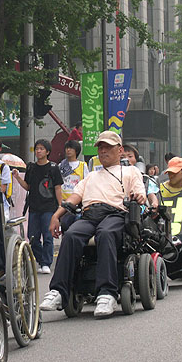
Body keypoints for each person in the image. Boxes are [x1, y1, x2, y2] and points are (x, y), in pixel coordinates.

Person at [40, 131, 146, 318]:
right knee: (72, 234)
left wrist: (139, 196)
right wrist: (56, 216)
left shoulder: (130, 171)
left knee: (105, 234)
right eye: (100, 148)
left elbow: (140, 194)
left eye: (108, 147)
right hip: (89, 214)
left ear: (120, 150)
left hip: (116, 213)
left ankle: (107, 293)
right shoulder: (91, 176)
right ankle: (58, 291)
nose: (103, 151)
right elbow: (74, 198)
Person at [12, 139, 62, 274]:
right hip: (34, 207)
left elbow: (57, 188)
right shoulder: (32, 168)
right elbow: (28, 186)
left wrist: (60, 207)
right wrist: (18, 178)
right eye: (37, 148)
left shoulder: (53, 168)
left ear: (48, 151)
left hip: (49, 207)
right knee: (32, 237)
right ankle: (40, 260)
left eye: (41, 149)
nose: (38, 151)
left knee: (47, 236)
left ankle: (46, 263)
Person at [59, 140, 88, 229]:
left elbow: (86, 183)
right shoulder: (61, 165)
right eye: (67, 148)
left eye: (71, 148)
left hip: (78, 203)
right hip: (64, 202)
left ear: (76, 151)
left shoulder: (83, 166)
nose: (68, 150)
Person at [122, 144, 159, 208]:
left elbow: (151, 194)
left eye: (130, 156)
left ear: (136, 160)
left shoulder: (145, 178)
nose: (126, 159)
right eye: (122, 157)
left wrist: (154, 203)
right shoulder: (112, 176)